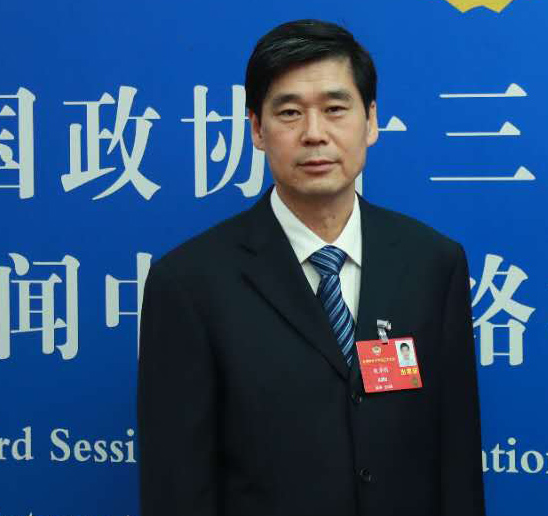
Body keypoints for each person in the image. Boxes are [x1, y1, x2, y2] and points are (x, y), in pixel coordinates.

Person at [138, 19, 485, 516]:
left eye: (335, 109)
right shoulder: (190, 283)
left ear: (371, 121)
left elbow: (456, 461)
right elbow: (178, 485)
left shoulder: (433, 263)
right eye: (290, 113)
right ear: (257, 129)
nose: (314, 134)